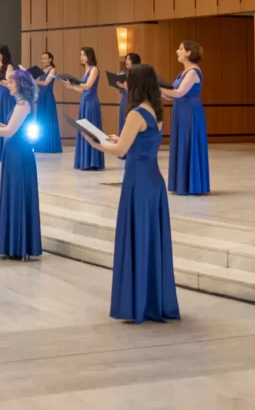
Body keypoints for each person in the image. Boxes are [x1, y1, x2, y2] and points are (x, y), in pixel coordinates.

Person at [83, 64, 180, 324]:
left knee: (138, 238)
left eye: (127, 81)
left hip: (138, 181)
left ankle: (137, 301)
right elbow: (139, 142)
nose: (124, 85)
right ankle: (151, 299)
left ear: (136, 85)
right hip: (153, 180)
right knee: (150, 241)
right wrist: (118, 138)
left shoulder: (136, 114)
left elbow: (121, 151)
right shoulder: (155, 111)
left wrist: (96, 143)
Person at [0, 69, 43, 259]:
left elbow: (9, 131)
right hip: (13, 153)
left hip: (19, 155)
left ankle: (18, 245)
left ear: (21, 84)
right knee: (12, 195)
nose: (8, 85)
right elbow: (8, 126)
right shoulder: (19, 104)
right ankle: (13, 244)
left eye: (11, 82)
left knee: (17, 195)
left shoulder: (23, 105)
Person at [162, 41, 210, 195]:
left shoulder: (193, 72)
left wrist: (159, 87)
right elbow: (171, 95)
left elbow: (179, 92)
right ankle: (182, 183)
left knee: (189, 142)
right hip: (181, 112)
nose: (177, 51)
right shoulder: (182, 73)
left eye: (181, 49)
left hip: (190, 113)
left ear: (189, 53)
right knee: (182, 143)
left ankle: (191, 184)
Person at [63, 46, 105, 170]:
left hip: (91, 103)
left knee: (90, 129)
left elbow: (88, 86)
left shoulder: (94, 69)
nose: (81, 57)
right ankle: (85, 161)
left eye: (84, 55)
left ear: (90, 56)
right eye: (81, 54)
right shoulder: (86, 70)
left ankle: (93, 161)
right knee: (83, 129)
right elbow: (83, 90)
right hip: (84, 101)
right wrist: (71, 87)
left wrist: (74, 82)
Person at [33, 51, 62, 153]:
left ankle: (50, 146)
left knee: (49, 120)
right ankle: (41, 145)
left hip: (48, 97)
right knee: (41, 120)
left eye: (45, 58)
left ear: (50, 59)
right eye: (42, 58)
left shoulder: (53, 70)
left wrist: (33, 80)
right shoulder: (40, 71)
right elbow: (37, 85)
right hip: (41, 97)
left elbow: (46, 83)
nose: (43, 60)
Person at [115, 52, 142, 132]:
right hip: (124, 101)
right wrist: (117, 85)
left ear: (134, 61)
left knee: (131, 124)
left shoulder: (139, 74)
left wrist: (125, 86)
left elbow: (138, 90)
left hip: (134, 102)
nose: (126, 61)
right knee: (123, 123)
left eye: (129, 59)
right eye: (126, 59)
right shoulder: (125, 74)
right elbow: (121, 91)